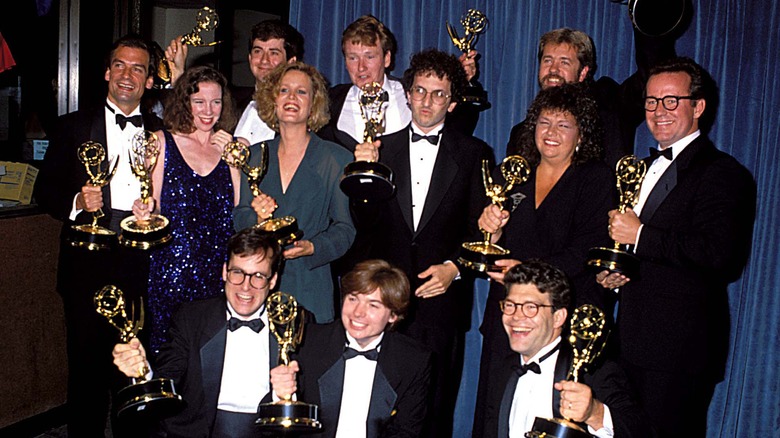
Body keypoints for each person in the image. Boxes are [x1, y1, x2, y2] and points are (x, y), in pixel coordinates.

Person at [596, 57, 756, 437]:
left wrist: (640, 236)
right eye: (651, 101)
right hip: (631, 342)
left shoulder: (723, 173)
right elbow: (654, 255)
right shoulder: (641, 166)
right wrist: (620, 269)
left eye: (671, 101)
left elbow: (721, 256)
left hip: (679, 350)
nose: (658, 111)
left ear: (698, 107)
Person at [344, 48, 493, 438]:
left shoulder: (475, 154)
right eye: (421, 91)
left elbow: (484, 231)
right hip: (384, 302)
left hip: (440, 302)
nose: (427, 101)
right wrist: (363, 177)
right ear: (407, 94)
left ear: (454, 101)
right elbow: (365, 227)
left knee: (435, 410)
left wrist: (455, 268)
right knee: (376, 407)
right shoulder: (381, 150)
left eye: (439, 93)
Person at [35, 34, 163, 437]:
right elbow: (46, 191)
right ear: (108, 73)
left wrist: (157, 211)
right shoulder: (73, 126)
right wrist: (77, 200)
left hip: (142, 263)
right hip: (86, 265)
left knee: (135, 370)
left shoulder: (162, 131)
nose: (128, 75)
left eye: (138, 68)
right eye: (121, 66)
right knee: (87, 372)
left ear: (149, 81)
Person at [473, 83, 615, 432]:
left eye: (563, 125)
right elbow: (493, 247)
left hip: (563, 319)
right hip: (508, 317)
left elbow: (587, 248)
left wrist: (526, 275)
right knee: (493, 414)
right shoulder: (513, 175)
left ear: (581, 133)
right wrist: (491, 230)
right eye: (544, 122)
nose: (551, 133)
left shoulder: (596, 178)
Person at [112, 227, 287, 437]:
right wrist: (142, 372)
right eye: (237, 272)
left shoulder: (294, 323)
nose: (245, 287)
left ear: (273, 280)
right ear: (224, 271)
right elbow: (169, 378)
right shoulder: (191, 319)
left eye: (258, 276)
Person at [233, 62, 355, 323]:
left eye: (301, 92)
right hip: (256, 286)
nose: (291, 98)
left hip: (311, 285)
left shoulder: (336, 159)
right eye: (284, 90)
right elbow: (240, 217)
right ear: (273, 99)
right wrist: (257, 219)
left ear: (314, 104)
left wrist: (313, 247)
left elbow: (345, 229)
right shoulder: (254, 155)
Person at [131, 65, 239, 354]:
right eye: (199, 101)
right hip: (170, 270)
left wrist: (234, 159)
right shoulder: (162, 142)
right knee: (168, 353)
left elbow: (241, 210)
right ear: (185, 103)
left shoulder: (233, 147)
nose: (208, 110)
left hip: (218, 271)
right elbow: (150, 202)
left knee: (211, 355)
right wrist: (143, 210)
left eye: (216, 102)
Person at [474, 260, 649, 438]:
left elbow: (642, 432)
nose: (516, 317)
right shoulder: (502, 370)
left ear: (558, 317)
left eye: (530, 308)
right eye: (510, 305)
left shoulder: (593, 371)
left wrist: (595, 413)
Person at [270, 259, 432, 437]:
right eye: (353, 298)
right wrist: (280, 396)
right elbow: (273, 428)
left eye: (373, 305)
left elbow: (407, 431)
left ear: (393, 315)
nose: (358, 312)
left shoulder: (413, 360)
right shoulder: (307, 341)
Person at [506, 26, 677, 167]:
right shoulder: (521, 133)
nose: (553, 70)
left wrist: (649, 16)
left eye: (564, 62)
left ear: (583, 73)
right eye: (548, 60)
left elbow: (654, 73)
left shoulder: (611, 104)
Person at [317, 14, 485, 152]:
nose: (361, 67)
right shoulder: (329, 101)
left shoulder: (415, 91)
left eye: (369, 57)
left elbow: (457, 130)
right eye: (353, 58)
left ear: (387, 58)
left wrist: (464, 82)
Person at [164, 19, 304, 145]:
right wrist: (178, 76)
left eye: (274, 53)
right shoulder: (228, 100)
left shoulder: (300, 110)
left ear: (291, 62)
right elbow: (186, 125)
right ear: (250, 58)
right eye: (258, 51)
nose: (264, 60)